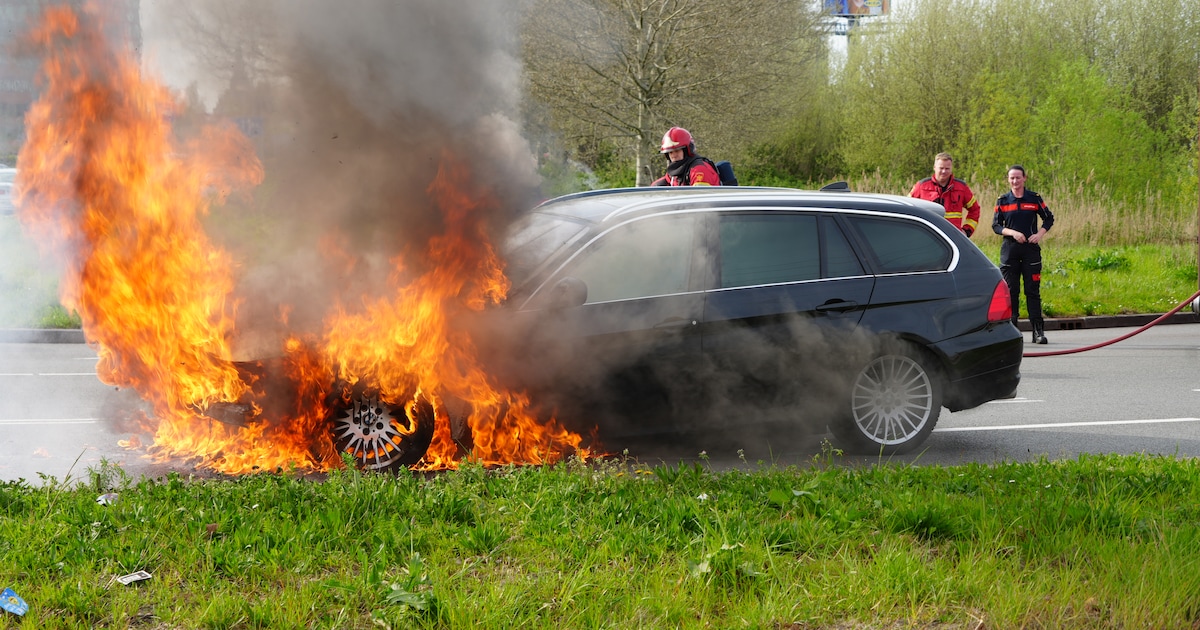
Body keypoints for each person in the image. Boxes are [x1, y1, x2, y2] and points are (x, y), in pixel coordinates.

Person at [992, 164, 1055, 344]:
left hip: (1030, 251)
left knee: (1032, 291)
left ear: (1024, 178)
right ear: (1008, 180)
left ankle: (1038, 332)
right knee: (1011, 292)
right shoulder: (1003, 200)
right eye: (1012, 178)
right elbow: (996, 226)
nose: (1015, 181)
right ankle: (1012, 333)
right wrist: (1012, 233)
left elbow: (1049, 218)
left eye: (1018, 177)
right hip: (1010, 251)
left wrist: (1039, 234)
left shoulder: (1034, 198)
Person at [909, 152, 981, 238]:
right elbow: (907, 208)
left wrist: (966, 231)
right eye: (941, 168)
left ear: (951, 169)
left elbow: (975, 209)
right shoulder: (921, 186)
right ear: (934, 167)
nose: (944, 171)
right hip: (927, 236)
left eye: (947, 168)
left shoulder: (961, 188)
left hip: (953, 237)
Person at [649, 127, 721, 187]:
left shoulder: (699, 170)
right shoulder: (674, 173)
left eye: (677, 151)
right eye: (670, 152)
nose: (673, 155)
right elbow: (666, 180)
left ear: (687, 150)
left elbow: (701, 200)